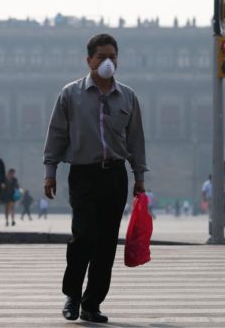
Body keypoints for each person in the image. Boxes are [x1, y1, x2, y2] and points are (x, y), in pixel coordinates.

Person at [44, 33, 148, 323]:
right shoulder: (70, 94)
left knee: (105, 243)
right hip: (83, 174)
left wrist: (139, 177)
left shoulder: (128, 96)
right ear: (89, 60)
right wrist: (50, 172)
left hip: (115, 175)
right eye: (101, 57)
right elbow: (56, 134)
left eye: (112, 56)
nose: (107, 62)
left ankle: (93, 303)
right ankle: (73, 295)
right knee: (83, 236)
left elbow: (136, 139)